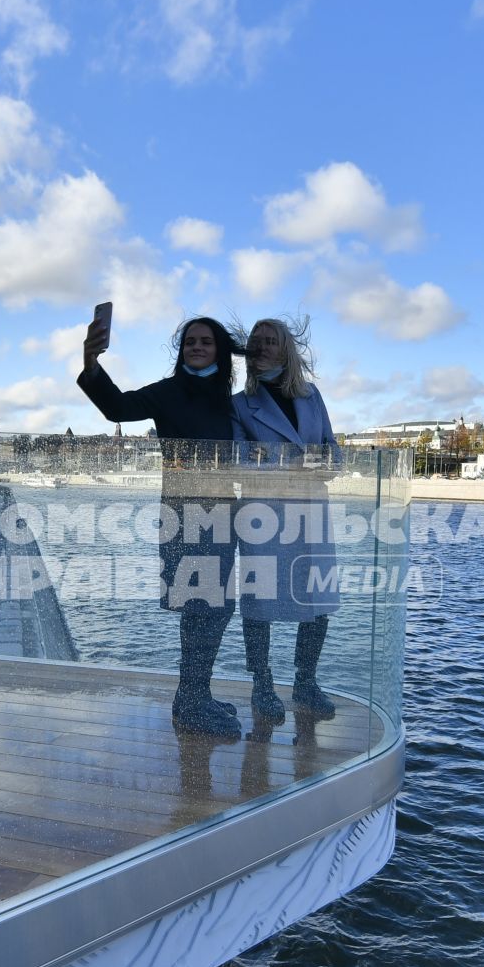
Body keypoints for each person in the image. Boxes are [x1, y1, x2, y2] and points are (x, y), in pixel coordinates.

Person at [78, 314, 245, 738]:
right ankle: (189, 703)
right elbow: (116, 406)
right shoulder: (169, 392)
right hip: (183, 517)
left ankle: (196, 695)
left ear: (220, 351)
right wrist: (91, 362)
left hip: (223, 518)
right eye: (190, 341)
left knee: (216, 610)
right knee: (198, 611)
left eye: (206, 341)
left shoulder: (233, 399)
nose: (196, 347)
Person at [231, 315, 338, 722]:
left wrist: (318, 463)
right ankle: (262, 685)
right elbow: (239, 461)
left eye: (270, 340)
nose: (261, 347)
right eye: (256, 341)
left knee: (318, 601)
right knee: (259, 604)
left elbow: (333, 450)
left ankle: (306, 683)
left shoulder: (312, 396)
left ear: (286, 349)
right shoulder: (240, 404)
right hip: (265, 514)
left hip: (311, 510)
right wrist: (297, 462)